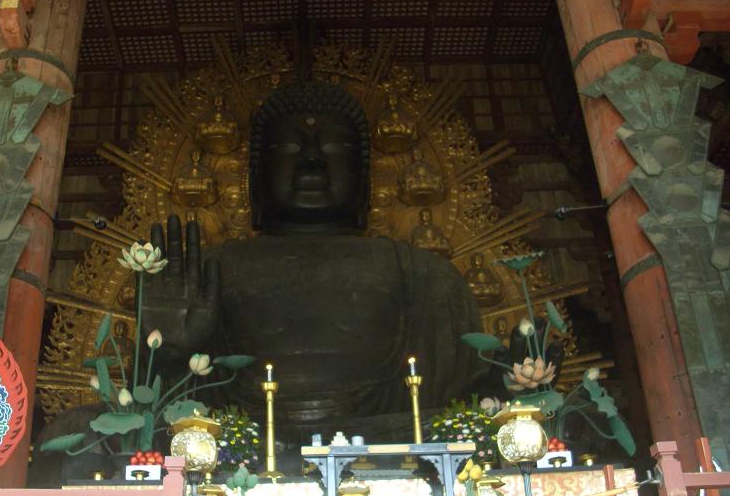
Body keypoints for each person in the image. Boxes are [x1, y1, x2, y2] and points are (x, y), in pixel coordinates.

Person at [140, 81, 483, 439]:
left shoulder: (424, 274)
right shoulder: (203, 275)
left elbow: (464, 397)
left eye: (335, 147)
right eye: (287, 148)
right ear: (255, 176)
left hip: (388, 441)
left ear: (364, 177)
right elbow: (161, 408)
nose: (312, 160)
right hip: (236, 447)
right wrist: (169, 353)